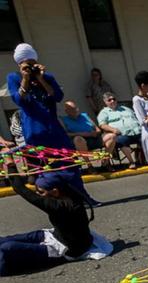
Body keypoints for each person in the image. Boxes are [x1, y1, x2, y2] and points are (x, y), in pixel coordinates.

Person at [8, 43, 100, 205]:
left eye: (32, 62)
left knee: (69, 162)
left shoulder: (47, 77)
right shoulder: (14, 78)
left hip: (53, 128)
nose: (30, 66)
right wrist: (25, 78)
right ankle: (56, 202)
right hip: (34, 132)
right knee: (42, 170)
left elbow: (57, 96)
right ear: (19, 64)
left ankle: (82, 198)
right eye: (26, 63)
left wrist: (41, 78)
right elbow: (19, 100)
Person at [1, 165, 112, 276]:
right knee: (3, 240)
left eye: (41, 192)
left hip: (65, 249)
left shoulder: (59, 206)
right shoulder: (68, 195)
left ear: (55, 191)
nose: (39, 195)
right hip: (55, 236)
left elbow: (20, 189)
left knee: (7, 248)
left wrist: (10, 164)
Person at [97, 92, 142, 169]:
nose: (112, 101)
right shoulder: (104, 112)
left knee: (147, 138)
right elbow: (102, 125)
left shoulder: (126, 109)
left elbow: (137, 117)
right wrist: (113, 130)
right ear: (105, 102)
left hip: (137, 131)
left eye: (114, 99)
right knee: (121, 141)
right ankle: (132, 162)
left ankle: (145, 158)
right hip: (122, 134)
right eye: (109, 100)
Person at [60, 100, 104, 171]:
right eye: (72, 109)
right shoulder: (64, 120)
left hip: (93, 138)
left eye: (75, 108)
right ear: (66, 111)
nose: (75, 110)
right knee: (78, 139)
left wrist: (95, 132)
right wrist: (83, 134)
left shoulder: (84, 116)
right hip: (78, 142)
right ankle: (89, 165)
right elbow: (66, 134)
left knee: (111, 137)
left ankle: (106, 163)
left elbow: (98, 129)